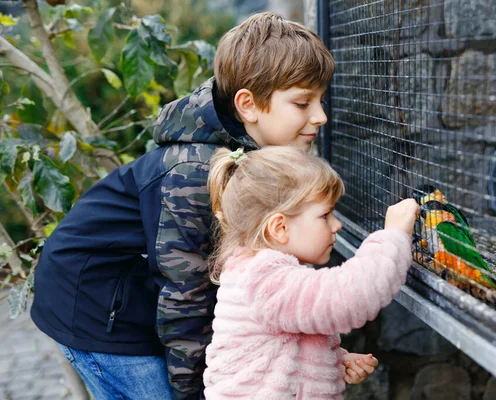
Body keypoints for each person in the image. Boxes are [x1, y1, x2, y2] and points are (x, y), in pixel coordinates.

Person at [30, 12, 334, 400]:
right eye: (303, 103)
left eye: (320, 100)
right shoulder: (194, 172)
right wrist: (195, 392)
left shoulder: (244, 149)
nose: (320, 116)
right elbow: (187, 294)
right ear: (248, 104)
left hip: (140, 300)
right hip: (96, 308)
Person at [203, 146, 418, 399]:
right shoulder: (265, 279)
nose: (336, 225)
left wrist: (334, 360)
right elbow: (348, 296)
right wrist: (394, 236)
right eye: (325, 215)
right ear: (280, 227)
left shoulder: (257, 271)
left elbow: (282, 349)